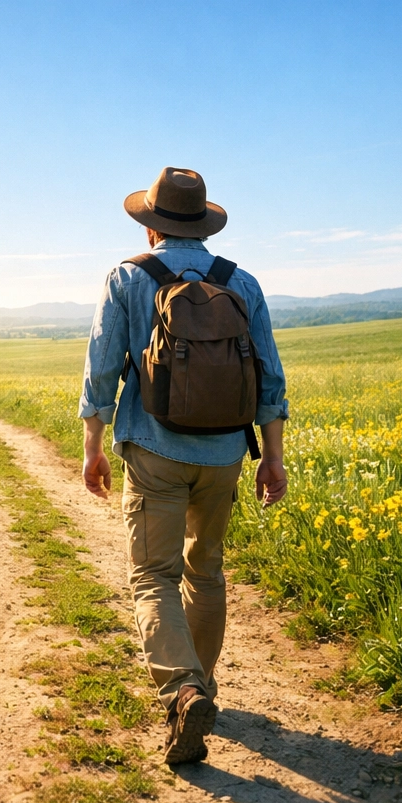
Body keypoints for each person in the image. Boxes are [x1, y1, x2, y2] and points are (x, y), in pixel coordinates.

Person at [79, 166, 289, 765]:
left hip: (154, 450)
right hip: (225, 452)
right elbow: (270, 377)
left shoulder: (128, 278)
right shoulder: (241, 283)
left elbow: (101, 370)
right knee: (207, 570)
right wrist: (272, 457)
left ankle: (183, 689)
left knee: (153, 575)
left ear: (151, 228)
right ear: (203, 226)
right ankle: (205, 683)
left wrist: (93, 446)